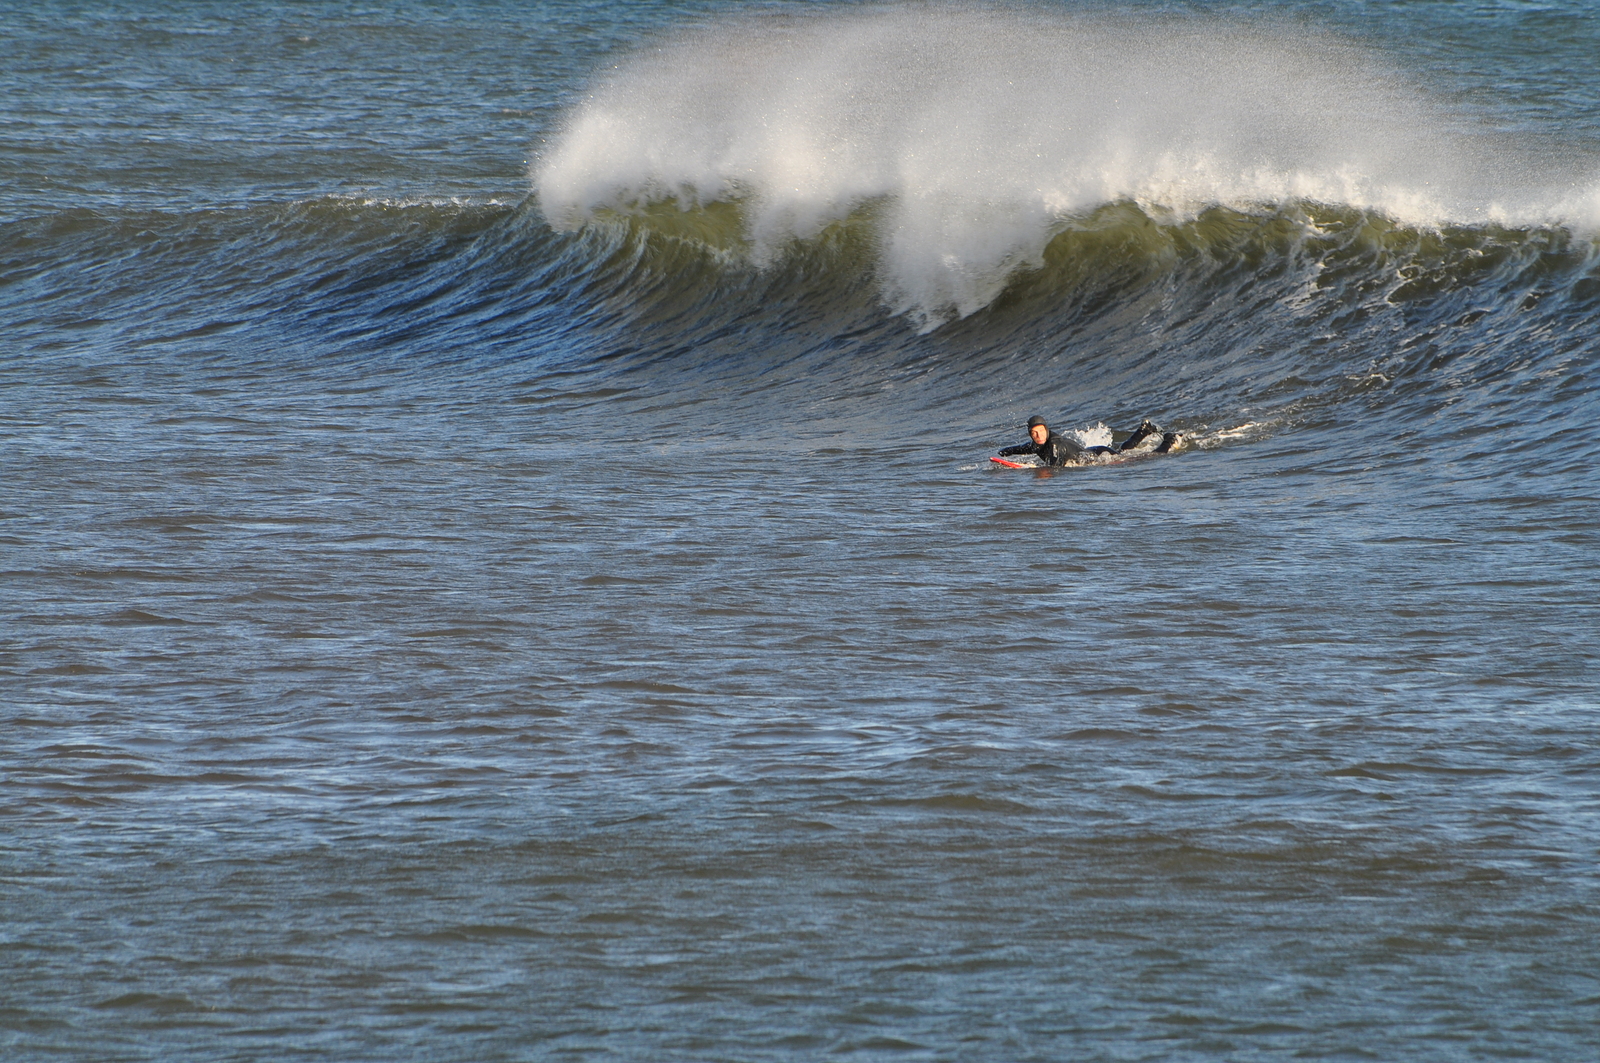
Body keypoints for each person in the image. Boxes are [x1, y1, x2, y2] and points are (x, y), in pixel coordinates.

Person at [998, 415, 1183, 467]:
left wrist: (1037, 471)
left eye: (1041, 432)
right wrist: (1004, 453)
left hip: (1097, 455)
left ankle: (1170, 440)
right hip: (1092, 450)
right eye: (1034, 433)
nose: (1038, 436)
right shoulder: (1037, 444)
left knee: (1145, 458)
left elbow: (1054, 467)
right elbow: (1021, 449)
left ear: (1046, 430)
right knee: (1123, 451)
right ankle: (1143, 430)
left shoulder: (1054, 444)